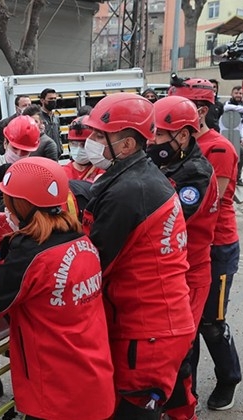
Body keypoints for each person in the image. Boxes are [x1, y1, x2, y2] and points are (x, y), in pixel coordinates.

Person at [0, 157, 115, 420]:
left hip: (56, 394)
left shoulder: (32, 255)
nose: (6, 211)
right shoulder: (82, 240)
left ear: (22, 206)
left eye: (9, 204)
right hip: (92, 378)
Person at [83, 93, 195, 418]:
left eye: (98, 136)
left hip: (147, 334)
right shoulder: (139, 177)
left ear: (127, 146)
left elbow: (94, 264)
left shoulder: (129, 192)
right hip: (162, 321)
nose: (91, 143)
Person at [169, 78, 242, 411]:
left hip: (216, 247)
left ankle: (229, 377)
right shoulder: (177, 150)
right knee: (186, 324)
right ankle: (188, 391)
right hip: (186, 245)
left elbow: (206, 204)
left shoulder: (218, 149)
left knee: (210, 323)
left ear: (198, 111)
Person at [148, 96, 220, 420]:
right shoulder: (168, 162)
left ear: (184, 135)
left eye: (162, 134)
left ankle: (184, 411)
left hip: (189, 273)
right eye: (154, 132)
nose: (154, 140)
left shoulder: (197, 173)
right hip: (165, 268)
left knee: (178, 349)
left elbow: (170, 216)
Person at [0, 115, 39, 186]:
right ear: (5, 143)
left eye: (24, 151)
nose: (18, 154)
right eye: (14, 148)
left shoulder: (35, 174)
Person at [219, 86, 243, 187]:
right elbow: (226, 108)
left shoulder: (242, 105)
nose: (238, 95)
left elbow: (241, 125)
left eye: (240, 93)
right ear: (232, 94)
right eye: (236, 93)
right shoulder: (228, 103)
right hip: (225, 135)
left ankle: (237, 178)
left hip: (236, 136)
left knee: (242, 154)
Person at [63, 116, 103, 181]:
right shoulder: (64, 173)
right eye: (74, 144)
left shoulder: (102, 169)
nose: (78, 149)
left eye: (83, 145)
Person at [39, 88, 63, 156]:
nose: (53, 101)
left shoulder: (55, 117)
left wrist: (60, 148)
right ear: (42, 100)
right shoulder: (38, 117)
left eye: (55, 98)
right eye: (50, 99)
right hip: (44, 154)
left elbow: (58, 134)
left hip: (56, 154)